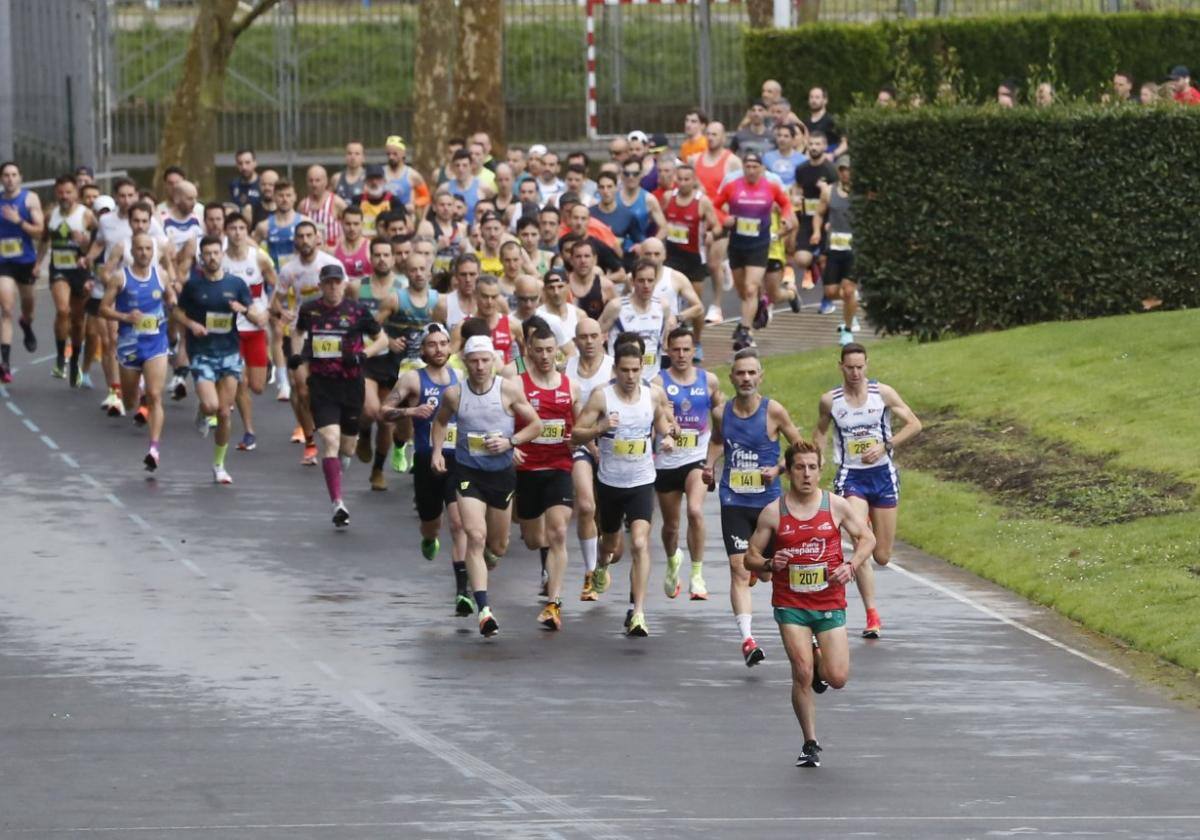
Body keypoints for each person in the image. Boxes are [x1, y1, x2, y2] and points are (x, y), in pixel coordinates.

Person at [744, 440, 876, 768]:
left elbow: (868, 539)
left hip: (829, 600)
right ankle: (810, 742)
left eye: (812, 467)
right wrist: (770, 563)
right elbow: (750, 558)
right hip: (790, 604)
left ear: (820, 470)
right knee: (801, 672)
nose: (806, 474)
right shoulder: (774, 512)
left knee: (838, 678)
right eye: (800, 467)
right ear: (789, 470)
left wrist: (851, 565)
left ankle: (820, 658)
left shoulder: (836, 505)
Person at [430, 329, 543, 637]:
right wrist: (438, 451)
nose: (480, 367)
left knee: (498, 544)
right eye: (474, 361)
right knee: (474, 536)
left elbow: (536, 424)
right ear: (465, 363)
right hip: (468, 473)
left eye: (485, 360)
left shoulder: (507, 391)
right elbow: (440, 421)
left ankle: (488, 561)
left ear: (493, 361)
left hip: (501, 474)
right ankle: (484, 610)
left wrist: (510, 441)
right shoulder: (455, 394)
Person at [814, 342, 922, 638]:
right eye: (849, 367)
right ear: (841, 367)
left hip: (883, 476)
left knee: (883, 556)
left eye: (860, 367)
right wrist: (818, 457)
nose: (855, 373)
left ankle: (870, 526)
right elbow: (821, 430)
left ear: (867, 365)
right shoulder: (830, 400)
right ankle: (872, 615)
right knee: (861, 540)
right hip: (852, 478)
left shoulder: (882, 394)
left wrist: (886, 446)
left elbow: (914, 424)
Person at [703, 348, 803, 666]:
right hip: (733, 499)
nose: (745, 378)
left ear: (760, 376)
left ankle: (805, 631)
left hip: (769, 505)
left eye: (751, 373)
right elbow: (719, 439)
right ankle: (747, 639)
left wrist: (778, 470)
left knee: (772, 571)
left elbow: (799, 451)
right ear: (731, 377)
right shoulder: (722, 412)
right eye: (740, 373)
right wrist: (709, 464)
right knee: (739, 568)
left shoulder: (774, 412)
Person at [572, 336, 676, 636]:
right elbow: (576, 435)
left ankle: (639, 611)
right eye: (625, 370)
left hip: (642, 481)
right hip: (610, 483)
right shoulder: (602, 398)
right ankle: (602, 566)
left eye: (635, 370)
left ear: (641, 368)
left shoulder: (652, 395)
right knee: (611, 547)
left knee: (641, 543)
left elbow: (662, 424)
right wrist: (599, 429)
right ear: (615, 369)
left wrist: (667, 437)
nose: (630, 377)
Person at [382, 323, 473, 613]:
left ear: (450, 346)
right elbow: (383, 411)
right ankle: (429, 536)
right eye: (432, 344)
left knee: (459, 523)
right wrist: (410, 411)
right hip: (425, 460)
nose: (439, 349)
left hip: (457, 458)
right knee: (432, 523)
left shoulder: (460, 377)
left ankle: (463, 592)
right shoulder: (413, 379)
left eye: (444, 343)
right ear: (422, 349)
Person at [294, 262, 387, 526]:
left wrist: (363, 355)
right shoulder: (310, 310)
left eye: (337, 282)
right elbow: (298, 332)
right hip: (322, 385)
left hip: (351, 385)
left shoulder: (357, 312)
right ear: (321, 285)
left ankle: (339, 465)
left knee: (347, 446)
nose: (333, 287)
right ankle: (338, 504)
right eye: (328, 283)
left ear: (344, 284)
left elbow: (382, 339)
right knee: (330, 440)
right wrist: (297, 355)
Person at [174, 235, 266, 483]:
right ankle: (203, 412)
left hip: (229, 353)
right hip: (202, 352)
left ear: (222, 256)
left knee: (225, 413)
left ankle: (219, 465)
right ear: (201, 258)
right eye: (208, 254)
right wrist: (192, 324)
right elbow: (177, 312)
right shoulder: (194, 286)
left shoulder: (236, 284)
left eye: (216, 253)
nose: (212, 258)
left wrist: (245, 310)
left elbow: (259, 318)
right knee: (212, 406)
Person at [514, 318, 580, 630]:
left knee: (558, 532)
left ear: (558, 352)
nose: (544, 356)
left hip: (559, 467)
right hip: (526, 468)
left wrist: (582, 441)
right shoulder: (517, 384)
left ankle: (554, 603)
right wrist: (509, 445)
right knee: (533, 539)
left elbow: (580, 428)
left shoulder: (571, 386)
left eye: (550, 350)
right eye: (538, 350)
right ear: (529, 350)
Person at [98, 232, 175, 471]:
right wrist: (124, 317)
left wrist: (171, 300)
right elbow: (102, 309)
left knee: (155, 395)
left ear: (153, 252)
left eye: (148, 249)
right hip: (129, 346)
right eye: (139, 249)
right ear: (132, 252)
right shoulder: (120, 278)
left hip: (156, 343)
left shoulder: (160, 275)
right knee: (130, 402)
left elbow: (170, 294)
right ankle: (137, 391)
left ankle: (154, 449)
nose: (144, 253)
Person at [656, 326, 722, 601]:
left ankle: (697, 575)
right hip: (667, 462)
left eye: (686, 349)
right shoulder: (658, 383)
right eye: (676, 350)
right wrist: (665, 431)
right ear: (667, 351)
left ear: (694, 350)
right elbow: (654, 415)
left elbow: (721, 415)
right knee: (671, 527)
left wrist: (713, 455)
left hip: (696, 458)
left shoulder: (709, 380)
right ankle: (673, 561)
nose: (681, 355)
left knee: (695, 511)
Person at [270, 220, 342, 465]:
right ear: (295, 241)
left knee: (328, 387)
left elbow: (347, 293)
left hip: (328, 333)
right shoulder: (289, 269)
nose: (305, 240)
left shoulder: (330, 265)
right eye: (300, 236)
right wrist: (283, 313)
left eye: (309, 235)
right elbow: (274, 303)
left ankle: (330, 427)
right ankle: (310, 441)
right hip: (299, 333)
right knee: (301, 389)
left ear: (317, 238)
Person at [714, 152, 797, 351]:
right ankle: (790, 295)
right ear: (742, 168)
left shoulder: (771, 186)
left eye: (755, 167)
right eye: (747, 167)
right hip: (737, 244)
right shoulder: (733, 186)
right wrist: (723, 219)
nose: (751, 171)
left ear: (762, 169)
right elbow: (715, 205)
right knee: (743, 290)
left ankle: (745, 330)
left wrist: (786, 218)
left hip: (760, 244)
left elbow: (786, 203)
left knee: (752, 288)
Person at [564, 317, 612, 600]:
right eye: (583, 337)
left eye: (594, 335)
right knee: (585, 504)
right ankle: (589, 572)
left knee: (606, 517)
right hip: (580, 444)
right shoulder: (568, 368)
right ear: (576, 339)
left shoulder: (614, 366)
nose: (589, 341)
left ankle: (603, 561)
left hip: (613, 446)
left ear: (603, 337)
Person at [222, 212, 277, 452]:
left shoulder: (259, 258)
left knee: (258, 387)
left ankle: (268, 364)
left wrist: (268, 309)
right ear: (226, 232)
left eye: (241, 228)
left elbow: (277, 284)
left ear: (247, 231)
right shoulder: (221, 261)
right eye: (232, 228)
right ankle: (249, 431)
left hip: (256, 327)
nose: (237, 232)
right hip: (232, 330)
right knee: (240, 382)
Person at [353, 237, 403, 489]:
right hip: (368, 358)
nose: (382, 259)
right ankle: (363, 433)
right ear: (370, 258)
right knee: (371, 410)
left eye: (387, 254)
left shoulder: (402, 287)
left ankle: (377, 469)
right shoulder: (357, 287)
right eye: (377, 255)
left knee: (387, 419)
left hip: (395, 361)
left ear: (394, 258)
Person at [39, 174, 97, 385]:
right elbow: (44, 241)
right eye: (61, 192)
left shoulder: (87, 216)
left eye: (69, 192)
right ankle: (60, 356)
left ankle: (74, 361)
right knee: (63, 310)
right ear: (56, 192)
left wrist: (84, 243)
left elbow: (97, 245)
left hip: (80, 271)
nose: (65, 196)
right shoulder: (50, 215)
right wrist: (37, 264)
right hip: (59, 269)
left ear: (76, 193)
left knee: (78, 320)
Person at [690, 122, 741, 320]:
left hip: (721, 217)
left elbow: (737, 190)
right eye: (708, 134)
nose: (711, 138)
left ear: (723, 137)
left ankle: (716, 305)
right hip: (701, 217)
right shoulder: (695, 160)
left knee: (712, 264)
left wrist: (732, 214)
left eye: (715, 134)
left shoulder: (732, 161)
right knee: (698, 262)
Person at [0, 161, 46, 378]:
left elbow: (40, 232)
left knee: (28, 308)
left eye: (13, 174)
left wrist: (19, 221)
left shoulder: (29, 199)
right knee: (7, 308)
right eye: (6, 175)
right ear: (1, 179)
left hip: (26, 261)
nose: (10, 178)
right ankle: (5, 364)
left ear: (20, 177)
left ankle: (26, 325)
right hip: (3, 263)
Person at [598, 258, 674, 382]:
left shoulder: (662, 306)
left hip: (652, 377)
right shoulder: (617, 307)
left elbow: (664, 340)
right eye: (641, 280)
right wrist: (606, 361)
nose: (646, 285)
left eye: (650, 280)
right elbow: (594, 335)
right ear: (632, 281)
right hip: (621, 378)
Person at [814, 156, 857, 345]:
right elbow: (819, 213)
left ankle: (847, 331)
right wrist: (816, 231)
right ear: (838, 172)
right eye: (842, 169)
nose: (846, 173)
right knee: (831, 291)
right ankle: (851, 307)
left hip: (854, 249)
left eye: (849, 169)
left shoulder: (861, 192)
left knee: (848, 290)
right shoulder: (829, 192)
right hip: (834, 248)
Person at [792, 132, 838, 293]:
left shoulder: (831, 170)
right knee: (801, 259)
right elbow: (796, 187)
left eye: (818, 144)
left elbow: (840, 197)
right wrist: (796, 197)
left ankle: (827, 297)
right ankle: (813, 263)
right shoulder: (802, 168)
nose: (813, 147)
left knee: (826, 261)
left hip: (826, 220)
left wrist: (825, 191)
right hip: (806, 219)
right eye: (811, 144)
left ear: (825, 146)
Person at [452, 274, 524, 368]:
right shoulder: (462, 326)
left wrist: (519, 373)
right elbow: (451, 358)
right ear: (475, 295)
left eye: (494, 297)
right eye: (485, 296)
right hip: (474, 379)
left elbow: (523, 355)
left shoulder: (512, 325)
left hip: (504, 379)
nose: (489, 302)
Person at [254, 179, 305, 272]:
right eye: (281, 195)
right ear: (274, 197)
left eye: (288, 195)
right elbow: (250, 250)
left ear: (295, 197)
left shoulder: (305, 222)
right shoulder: (263, 226)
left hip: (298, 279)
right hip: (274, 281)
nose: (285, 199)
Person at [298, 165, 346, 249]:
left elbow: (350, 225)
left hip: (333, 253)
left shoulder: (337, 202)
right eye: (311, 181)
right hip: (310, 253)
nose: (314, 184)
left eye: (317, 180)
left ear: (326, 181)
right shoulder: (303, 205)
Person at [383, 135, 431, 217]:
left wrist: (414, 204)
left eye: (395, 154)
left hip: (405, 218)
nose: (391, 157)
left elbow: (426, 197)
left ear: (403, 154)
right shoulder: (381, 173)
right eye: (388, 154)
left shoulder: (412, 175)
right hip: (384, 216)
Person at [803, 87, 846, 159]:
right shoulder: (805, 122)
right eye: (811, 97)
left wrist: (832, 155)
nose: (813, 100)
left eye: (817, 97)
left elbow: (845, 144)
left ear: (825, 100)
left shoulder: (832, 120)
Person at [763, 123, 808, 188]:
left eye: (786, 136)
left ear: (793, 139)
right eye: (779, 136)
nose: (782, 139)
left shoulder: (802, 160)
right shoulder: (767, 157)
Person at [334, 206, 371, 281]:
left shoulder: (370, 247)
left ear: (362, 224)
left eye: (356, 224)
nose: (352, 228)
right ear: (342, 224)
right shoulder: (334, 247)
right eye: (348, 224)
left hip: (365, 292)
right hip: (341, 291)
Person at [228, 149, 261, 217]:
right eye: (240, 163)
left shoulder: (262, 184)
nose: (244, 167)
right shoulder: (234, 184)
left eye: (247, 162)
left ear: (255, 163)